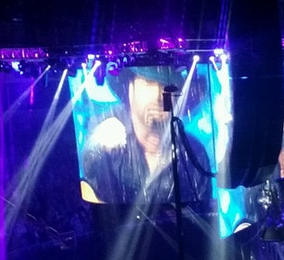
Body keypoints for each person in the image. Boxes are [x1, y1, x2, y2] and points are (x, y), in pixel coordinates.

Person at [80, 67, 212, 206]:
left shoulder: (194, 154)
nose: (158, 96)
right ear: (130, 89)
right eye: (148, 82)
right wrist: (96, 146)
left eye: (166, 86)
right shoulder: (105, 135)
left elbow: (204, 215)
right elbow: (89, 185)